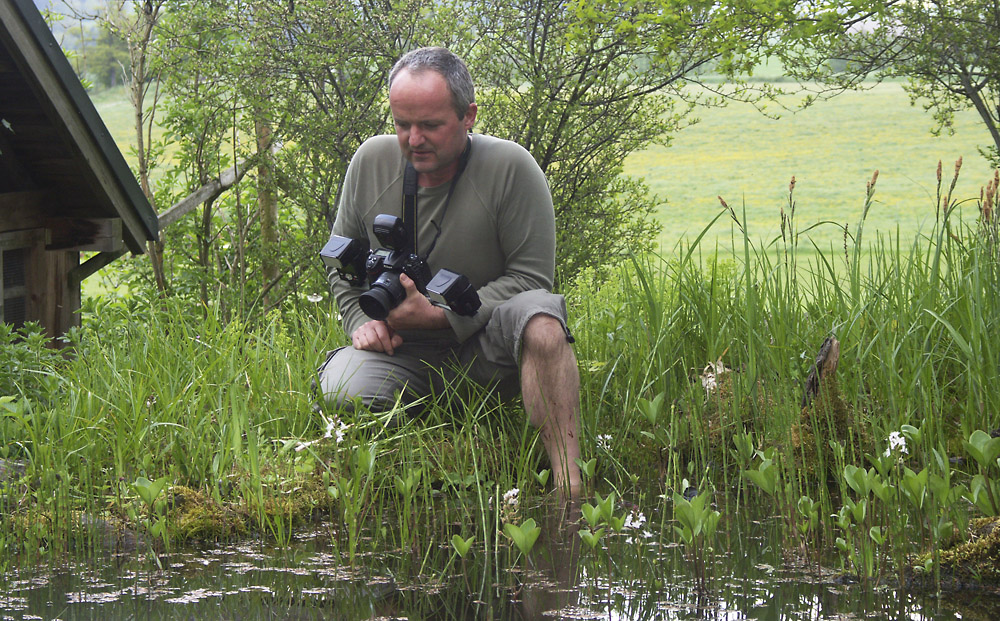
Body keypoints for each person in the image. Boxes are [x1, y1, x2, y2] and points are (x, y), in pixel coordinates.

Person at [318, 47, 581, 497]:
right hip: (402, 350)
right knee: (341, 388)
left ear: (468, 115)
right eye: (402, 124)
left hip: (487, 347)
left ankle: (570, 484)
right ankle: (444, 442)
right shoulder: (370, 161)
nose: (414, 139)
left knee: (542, 322)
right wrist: (362, 322)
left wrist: (445, 317)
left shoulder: (512, 168)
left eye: (431, 125)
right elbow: (341, 263)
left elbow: (532, 280)